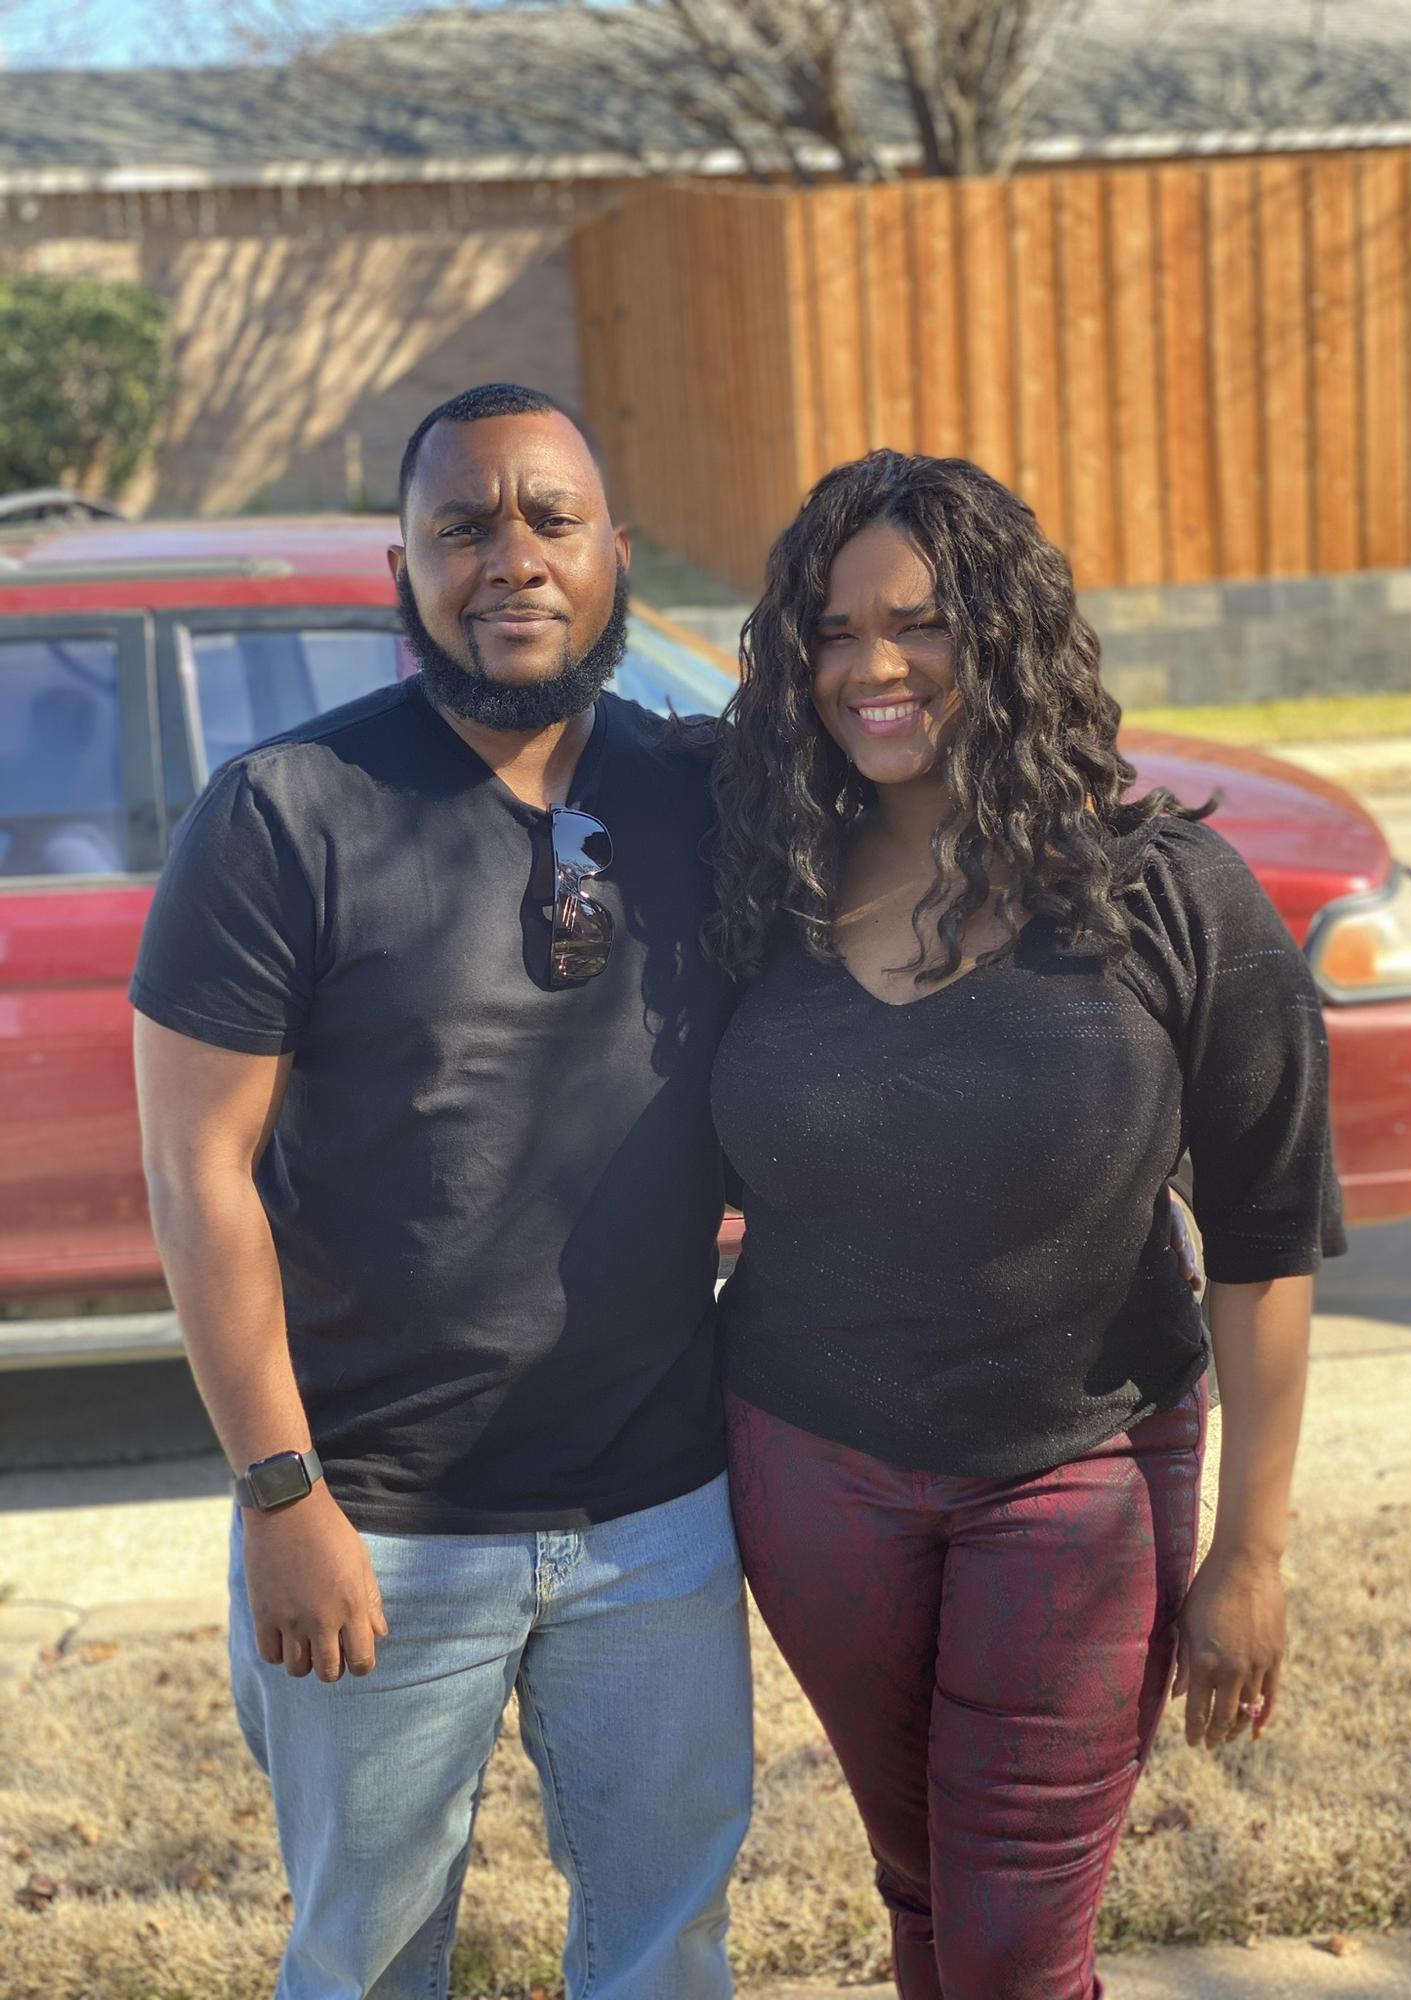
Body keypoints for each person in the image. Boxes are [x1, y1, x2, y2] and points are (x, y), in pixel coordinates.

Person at [130, 383, 752, 2000]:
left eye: (551, 518)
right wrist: (282, 1498)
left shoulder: (708, 795)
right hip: (380, 1525)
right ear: (399, 567)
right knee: (370, 1967)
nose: (511, 557)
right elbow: (198, 1173)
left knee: (667, 1952)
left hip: (657, 1517)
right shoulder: (283, 814)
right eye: (463, 525)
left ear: (616, 551)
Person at [706, 449, 1345, 2000]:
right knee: (924, 1888)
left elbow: (1265, 1234)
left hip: (1080, 1480)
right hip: (811, 1470)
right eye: (836, 632)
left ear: (1004, 634)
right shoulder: (763, 890)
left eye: (919, 623)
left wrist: (1251, 1552)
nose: (874, 667)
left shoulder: (1167, 894)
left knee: (1012, 1948)